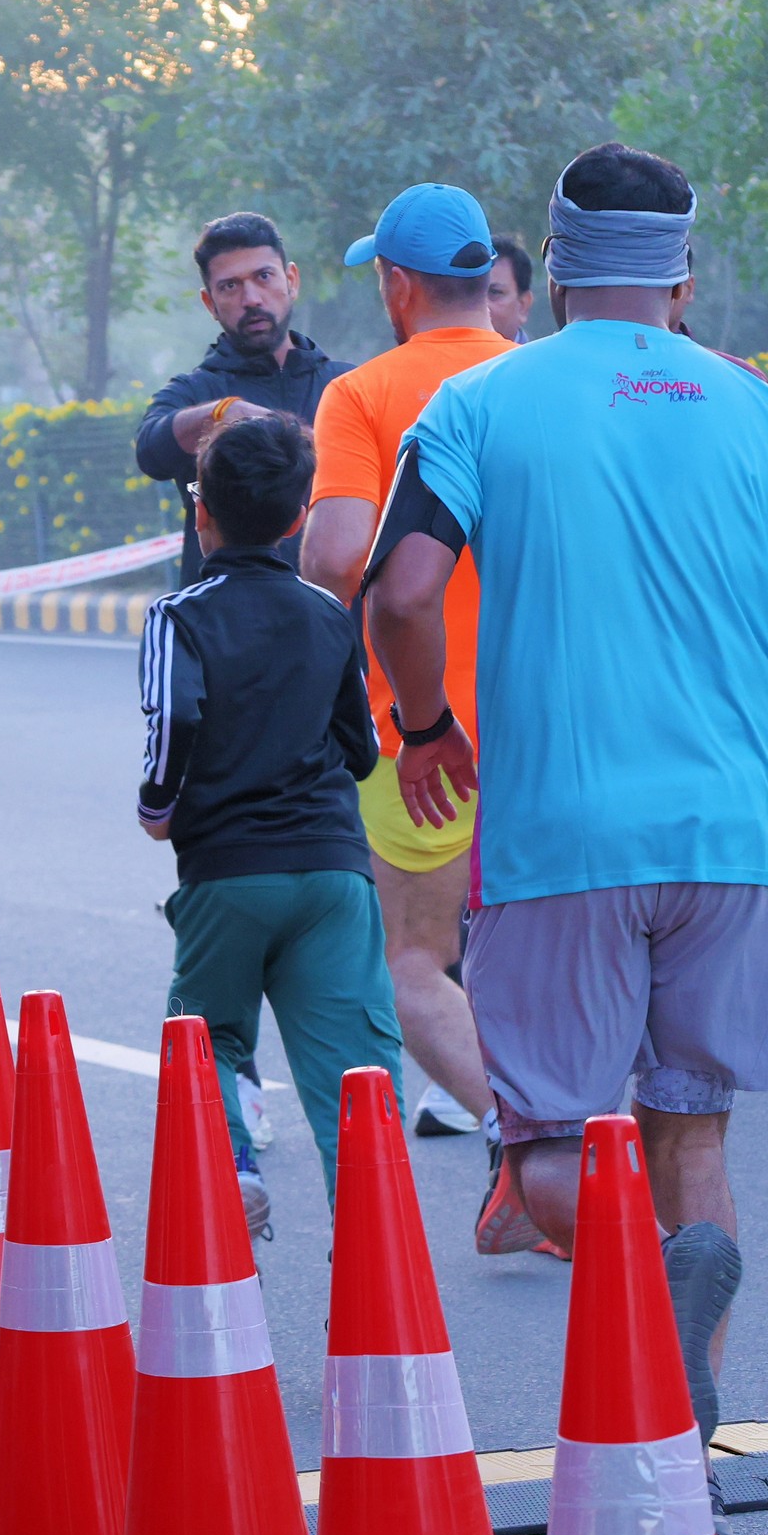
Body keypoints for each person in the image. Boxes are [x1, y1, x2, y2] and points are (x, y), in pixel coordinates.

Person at [366, 141, 768, 1535]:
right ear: (684, 276)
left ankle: (641, 1297)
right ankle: (683, 1458)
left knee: (548, 1143)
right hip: (731, 838)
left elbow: (401, 594)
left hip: (560, 840)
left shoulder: (481, 401)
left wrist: (426, 729)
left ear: (551, 270)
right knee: (694, 1137)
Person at [139, 408, 404, 1236]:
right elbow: (362, 749)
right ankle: (374, 1237)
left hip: (226, 871)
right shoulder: (327, 613)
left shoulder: (178, 616)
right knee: (356, 1067)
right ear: (298, 518)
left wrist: (157, 808)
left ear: (201, 512)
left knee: (208, 1035)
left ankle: (236, 1165)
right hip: (332, 872)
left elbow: (173, 718)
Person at [298, 185, 514, 1193]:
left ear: (395, 283)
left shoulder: (364, 395)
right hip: (558, 723)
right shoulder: (543, 381)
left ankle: (528, 1140)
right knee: (548, 960)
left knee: (416, 962)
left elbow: (335, 557)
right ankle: (581, 1156)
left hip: (421, 731)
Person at [135, 213, 352, 580]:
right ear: (210, 303)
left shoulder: (348, 386)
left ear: (291, 280)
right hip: (223, 612)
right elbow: (150, 452)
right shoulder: (195, 392)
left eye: (263, 277)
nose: (251, 299)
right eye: (230, 286)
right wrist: (222, 414)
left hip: (335, 610)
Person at [486, 236, 535, 344]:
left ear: (523, 305)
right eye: (471, 292)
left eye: (494, 292)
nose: (480, 305)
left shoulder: (543, 355)